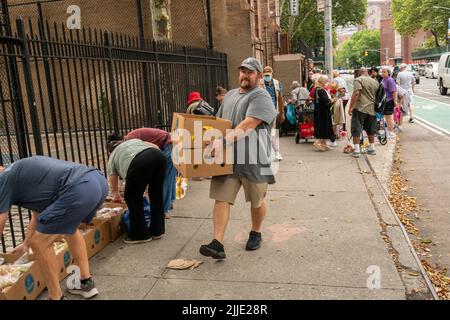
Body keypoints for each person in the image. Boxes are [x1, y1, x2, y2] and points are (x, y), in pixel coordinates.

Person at [199, 57, 277, 260]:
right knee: (221, 198)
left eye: (250, 72)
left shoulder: (262, 96)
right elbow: (219, 123)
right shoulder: (231, 95)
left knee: (256, 201)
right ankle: (217, 243)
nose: (245, 75)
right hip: (228, 160)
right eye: (242, 71)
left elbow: (248, 125)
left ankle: (256, 231)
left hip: (255, 159)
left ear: (259, 76)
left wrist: (221, 142)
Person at [0, 156, 108, 300]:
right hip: (96, 181)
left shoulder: (4, 180)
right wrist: (25, 244)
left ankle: (55, 297)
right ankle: (85, 282)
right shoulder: (18, 173)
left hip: (79, 188)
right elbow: (38, 215)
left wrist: (31, 242)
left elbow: (1, 219)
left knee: (40, 243)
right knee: (69, 229)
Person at [107, 138, 166, 244]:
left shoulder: (113, 155)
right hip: (159, 157)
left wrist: (115, 193)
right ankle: (157, 230)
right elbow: (155, 147)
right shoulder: (134, 141)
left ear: (110, 150)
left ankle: (140, 235)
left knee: (132, 198)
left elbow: (112, 176)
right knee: (156, 195)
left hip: (140, 161)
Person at [117, 128, 176, 216]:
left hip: (167, 145)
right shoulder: (131, 136)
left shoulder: (130, 141)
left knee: (164, 180)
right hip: (169, 143)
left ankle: (163, 209)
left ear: (120, 142)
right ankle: (169, 203)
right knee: (169, 177)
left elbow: (149, 148)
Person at [348, 67, 379, 158]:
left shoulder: (358, 80)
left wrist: (351, 107)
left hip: (360, 108)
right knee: (371, 129)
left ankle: (357, 151)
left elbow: (356, 93)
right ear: (367, 72)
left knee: (356, 128)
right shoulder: (375, 81)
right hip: (372, 109)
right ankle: (372, 148)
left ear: (359, 73)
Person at [259, 66, 285, 161]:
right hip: (262, 111)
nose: (267, 77)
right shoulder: (259, 83)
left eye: (268, 75)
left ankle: (276, 152)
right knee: (263, 132)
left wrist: (282, 112)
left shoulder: (277, 83)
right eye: (265, 75)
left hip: (273, 111)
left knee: (273, 132)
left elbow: (280, 98)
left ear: (272, 74)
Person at [313, 75, 335, 151]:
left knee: (324, 126)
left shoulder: (318, 89)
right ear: (322, 81)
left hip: (320, 111)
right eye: (326, 80)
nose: (327, 82)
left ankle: (324, 143)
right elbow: (326, 102)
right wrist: (333, 100)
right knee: (323, 126)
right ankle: (318, 142)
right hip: (323, 112)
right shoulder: (320, 90)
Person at [381, 67, 399, 139]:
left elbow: (394, 91)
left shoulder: (390, 80)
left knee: (389, 117)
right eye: (382, 72)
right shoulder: (383, 79)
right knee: (387, 117)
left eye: (384, 72)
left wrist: (395, 101)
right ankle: (389, 131)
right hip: (384, 101)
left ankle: (391, 133)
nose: (382, 73)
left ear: (388, 73)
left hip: (389, 101)